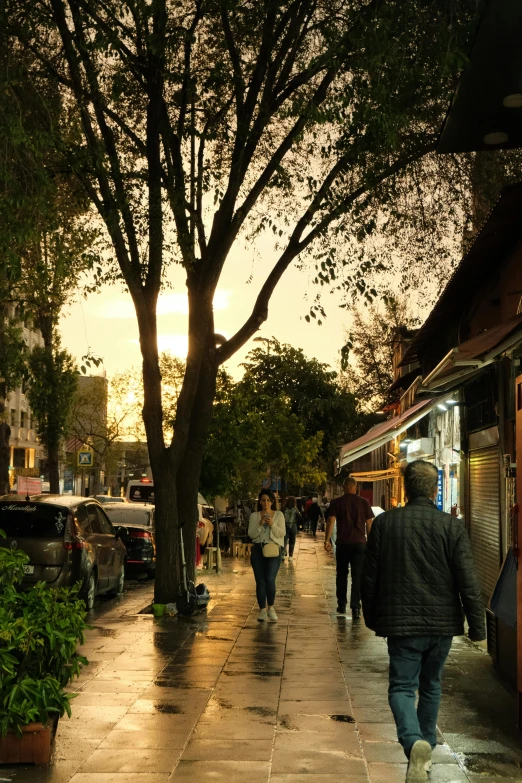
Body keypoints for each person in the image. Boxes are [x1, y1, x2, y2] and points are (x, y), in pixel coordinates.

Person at [361, 460, 485, 783]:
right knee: (431, 685)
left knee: (402, 687)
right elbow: (468, 580)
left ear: (405, 488)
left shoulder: (385, 525)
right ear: (434, 490)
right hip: (442, 625)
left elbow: (368, 578)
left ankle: (414, 742)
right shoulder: (452, 527)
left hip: (401, 626)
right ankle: (425, 750)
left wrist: (372, 617)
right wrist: (478, 626)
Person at [324, 477, 373, 618]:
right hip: (359, 543)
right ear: (355, 487)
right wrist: (370, 542)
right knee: (357, 576)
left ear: (344, 487)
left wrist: (327, 540)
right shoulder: (364, 502)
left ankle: (341, 605)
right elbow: (369, 523)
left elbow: (331, 521)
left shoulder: (337, 502)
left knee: (341, 575)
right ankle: (356, 608)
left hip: (343, 543)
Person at [248, 489, 285, 622]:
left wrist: (272, 524)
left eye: (268, 500)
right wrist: (260, 523)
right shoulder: (254, 516)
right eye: (263, 500)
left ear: (272, 502)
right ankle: (262, 609)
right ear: (260, 502)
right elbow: (251, 534)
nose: (266, 503)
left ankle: (271, 607)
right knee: (260, 581)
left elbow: (282, 533)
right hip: (258, 550)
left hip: (273, 550)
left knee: (270, 579)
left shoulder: (279, 515)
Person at [283, 496, 301, 561]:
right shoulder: (295, 509)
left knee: (284, 540)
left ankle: (283, 554)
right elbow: (300, 517)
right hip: (293, 526)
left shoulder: (284, 509)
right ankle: (290, 556)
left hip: (285, 526)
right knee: (292, 541)